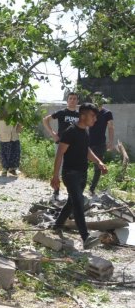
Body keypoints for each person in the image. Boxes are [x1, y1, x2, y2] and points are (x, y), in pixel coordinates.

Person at [50, 102, 107, 250]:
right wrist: (55, 176)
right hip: (70, 174)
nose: (95, 119)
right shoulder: (70, 132)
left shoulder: (85, 132)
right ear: (83, 116)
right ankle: (85, 237)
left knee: (72, 202)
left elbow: (86, 150)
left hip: (82, 173)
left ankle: (57, 225)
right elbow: (60, 154)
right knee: (78, 202)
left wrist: (98, 162)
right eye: (93, 116)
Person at [43, 92, 79, 200]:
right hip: (61, 144)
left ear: (77, 101)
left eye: (74, 99)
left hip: (74, 146)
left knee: (72, 169)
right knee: (58, 168)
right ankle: (56, 190)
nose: (72, 100)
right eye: (70, 98)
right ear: (67, 100)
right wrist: (53, 134)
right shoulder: (62, 112)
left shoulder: (79, 115)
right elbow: (45, 120)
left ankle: (71, 192)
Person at [87, 94, 115, 196]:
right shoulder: (89, 112)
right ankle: (79, 187)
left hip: (100, 144)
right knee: (81, 165)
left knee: (98, 167)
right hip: (87, 143)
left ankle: (91, 189)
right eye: (94, 99)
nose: (96, 101)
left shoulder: (107, 113)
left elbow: (111, 127)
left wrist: (111, 142)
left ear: (102, 100)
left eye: (99, 99)